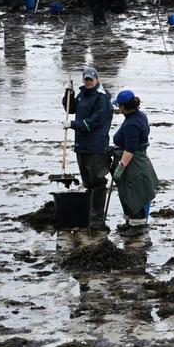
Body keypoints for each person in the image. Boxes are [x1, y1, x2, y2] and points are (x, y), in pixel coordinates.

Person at [109, 90, 159, 237]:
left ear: (124, 106)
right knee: (127, 192)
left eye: (119, 105)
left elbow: (130, 149)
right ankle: (130, 223)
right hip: (138, 158)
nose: (118, 108)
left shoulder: (132, 123)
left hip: (134, 163)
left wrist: (121, 167)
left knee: (134, 193)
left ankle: (137, 227)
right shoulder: (138, 115)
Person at [67, 67, 113, 225]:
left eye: (90, 79)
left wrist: (73, 125)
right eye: (86, 79)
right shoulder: (82, 94)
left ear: (97, 79)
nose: (88, 82)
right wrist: (69, 94)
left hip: (96, 146)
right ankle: (90, 213)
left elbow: (95, 122)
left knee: (98, 181)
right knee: (87, 182)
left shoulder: (102, 99)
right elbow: (70, 108)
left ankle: (97, 218)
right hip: (82, 145)